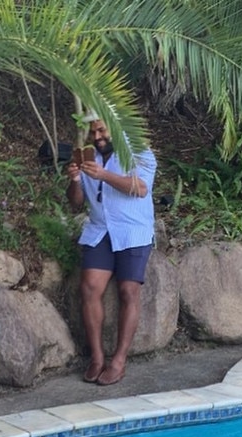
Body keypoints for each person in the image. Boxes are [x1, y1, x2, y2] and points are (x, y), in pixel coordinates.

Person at [66, 115, 157, 385]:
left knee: (129, 290)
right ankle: (96, 358)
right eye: (93, 132)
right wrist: (74, 180)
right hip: (100, 230)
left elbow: (141, 188)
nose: (97, 137)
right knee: (89, 287)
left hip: (133, 231)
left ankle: (119, 361)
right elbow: (76, 203)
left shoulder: (139, 151)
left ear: (115, 128)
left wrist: (104, 175)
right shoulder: (88, 156)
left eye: (102, 130)